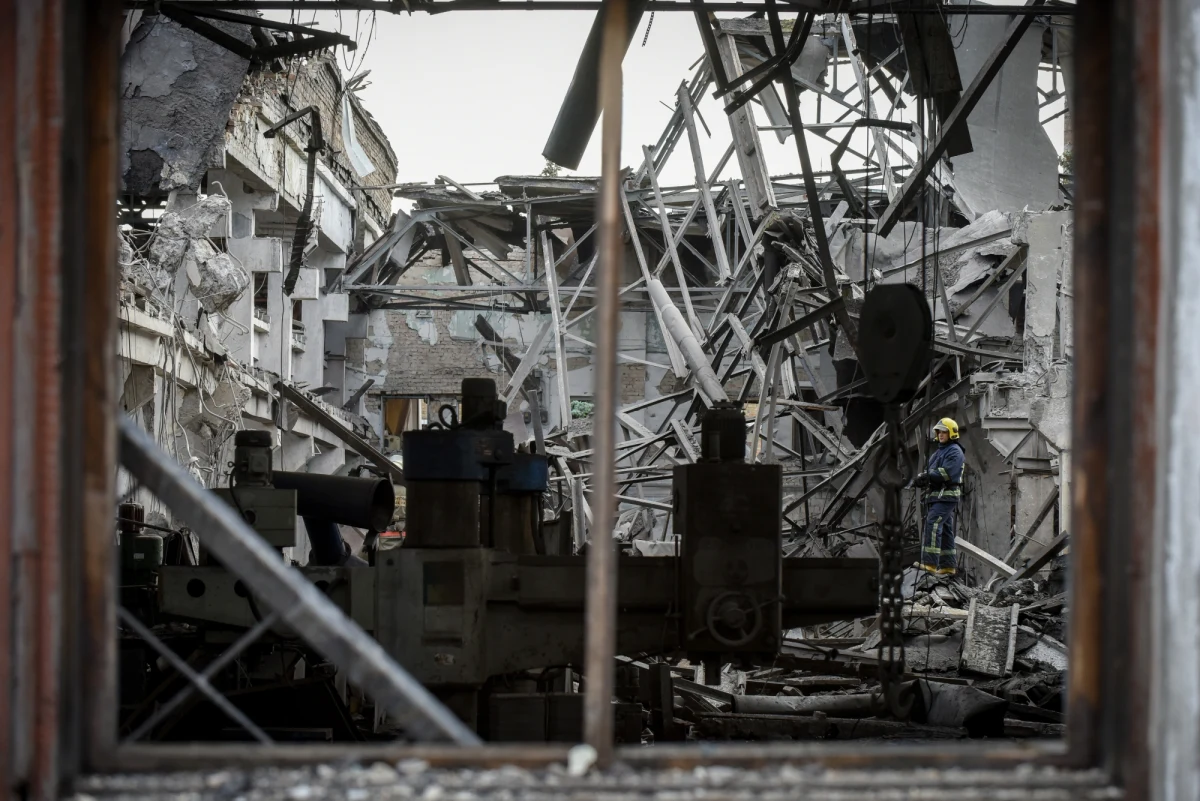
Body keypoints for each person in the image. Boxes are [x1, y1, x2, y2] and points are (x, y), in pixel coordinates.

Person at [913, 417, 965, 577]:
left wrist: (928, 476)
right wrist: (924, 477)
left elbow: (947, 473)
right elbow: (933, 471)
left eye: (944, 431)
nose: (941, 434)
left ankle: (929, 563)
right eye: (939, 432)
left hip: (946, 495)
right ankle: (948, 566)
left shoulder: (955, 451)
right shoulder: (939, 452)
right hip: (938, 495)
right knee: (947, 529)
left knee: (933, 523)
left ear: (952, 433)